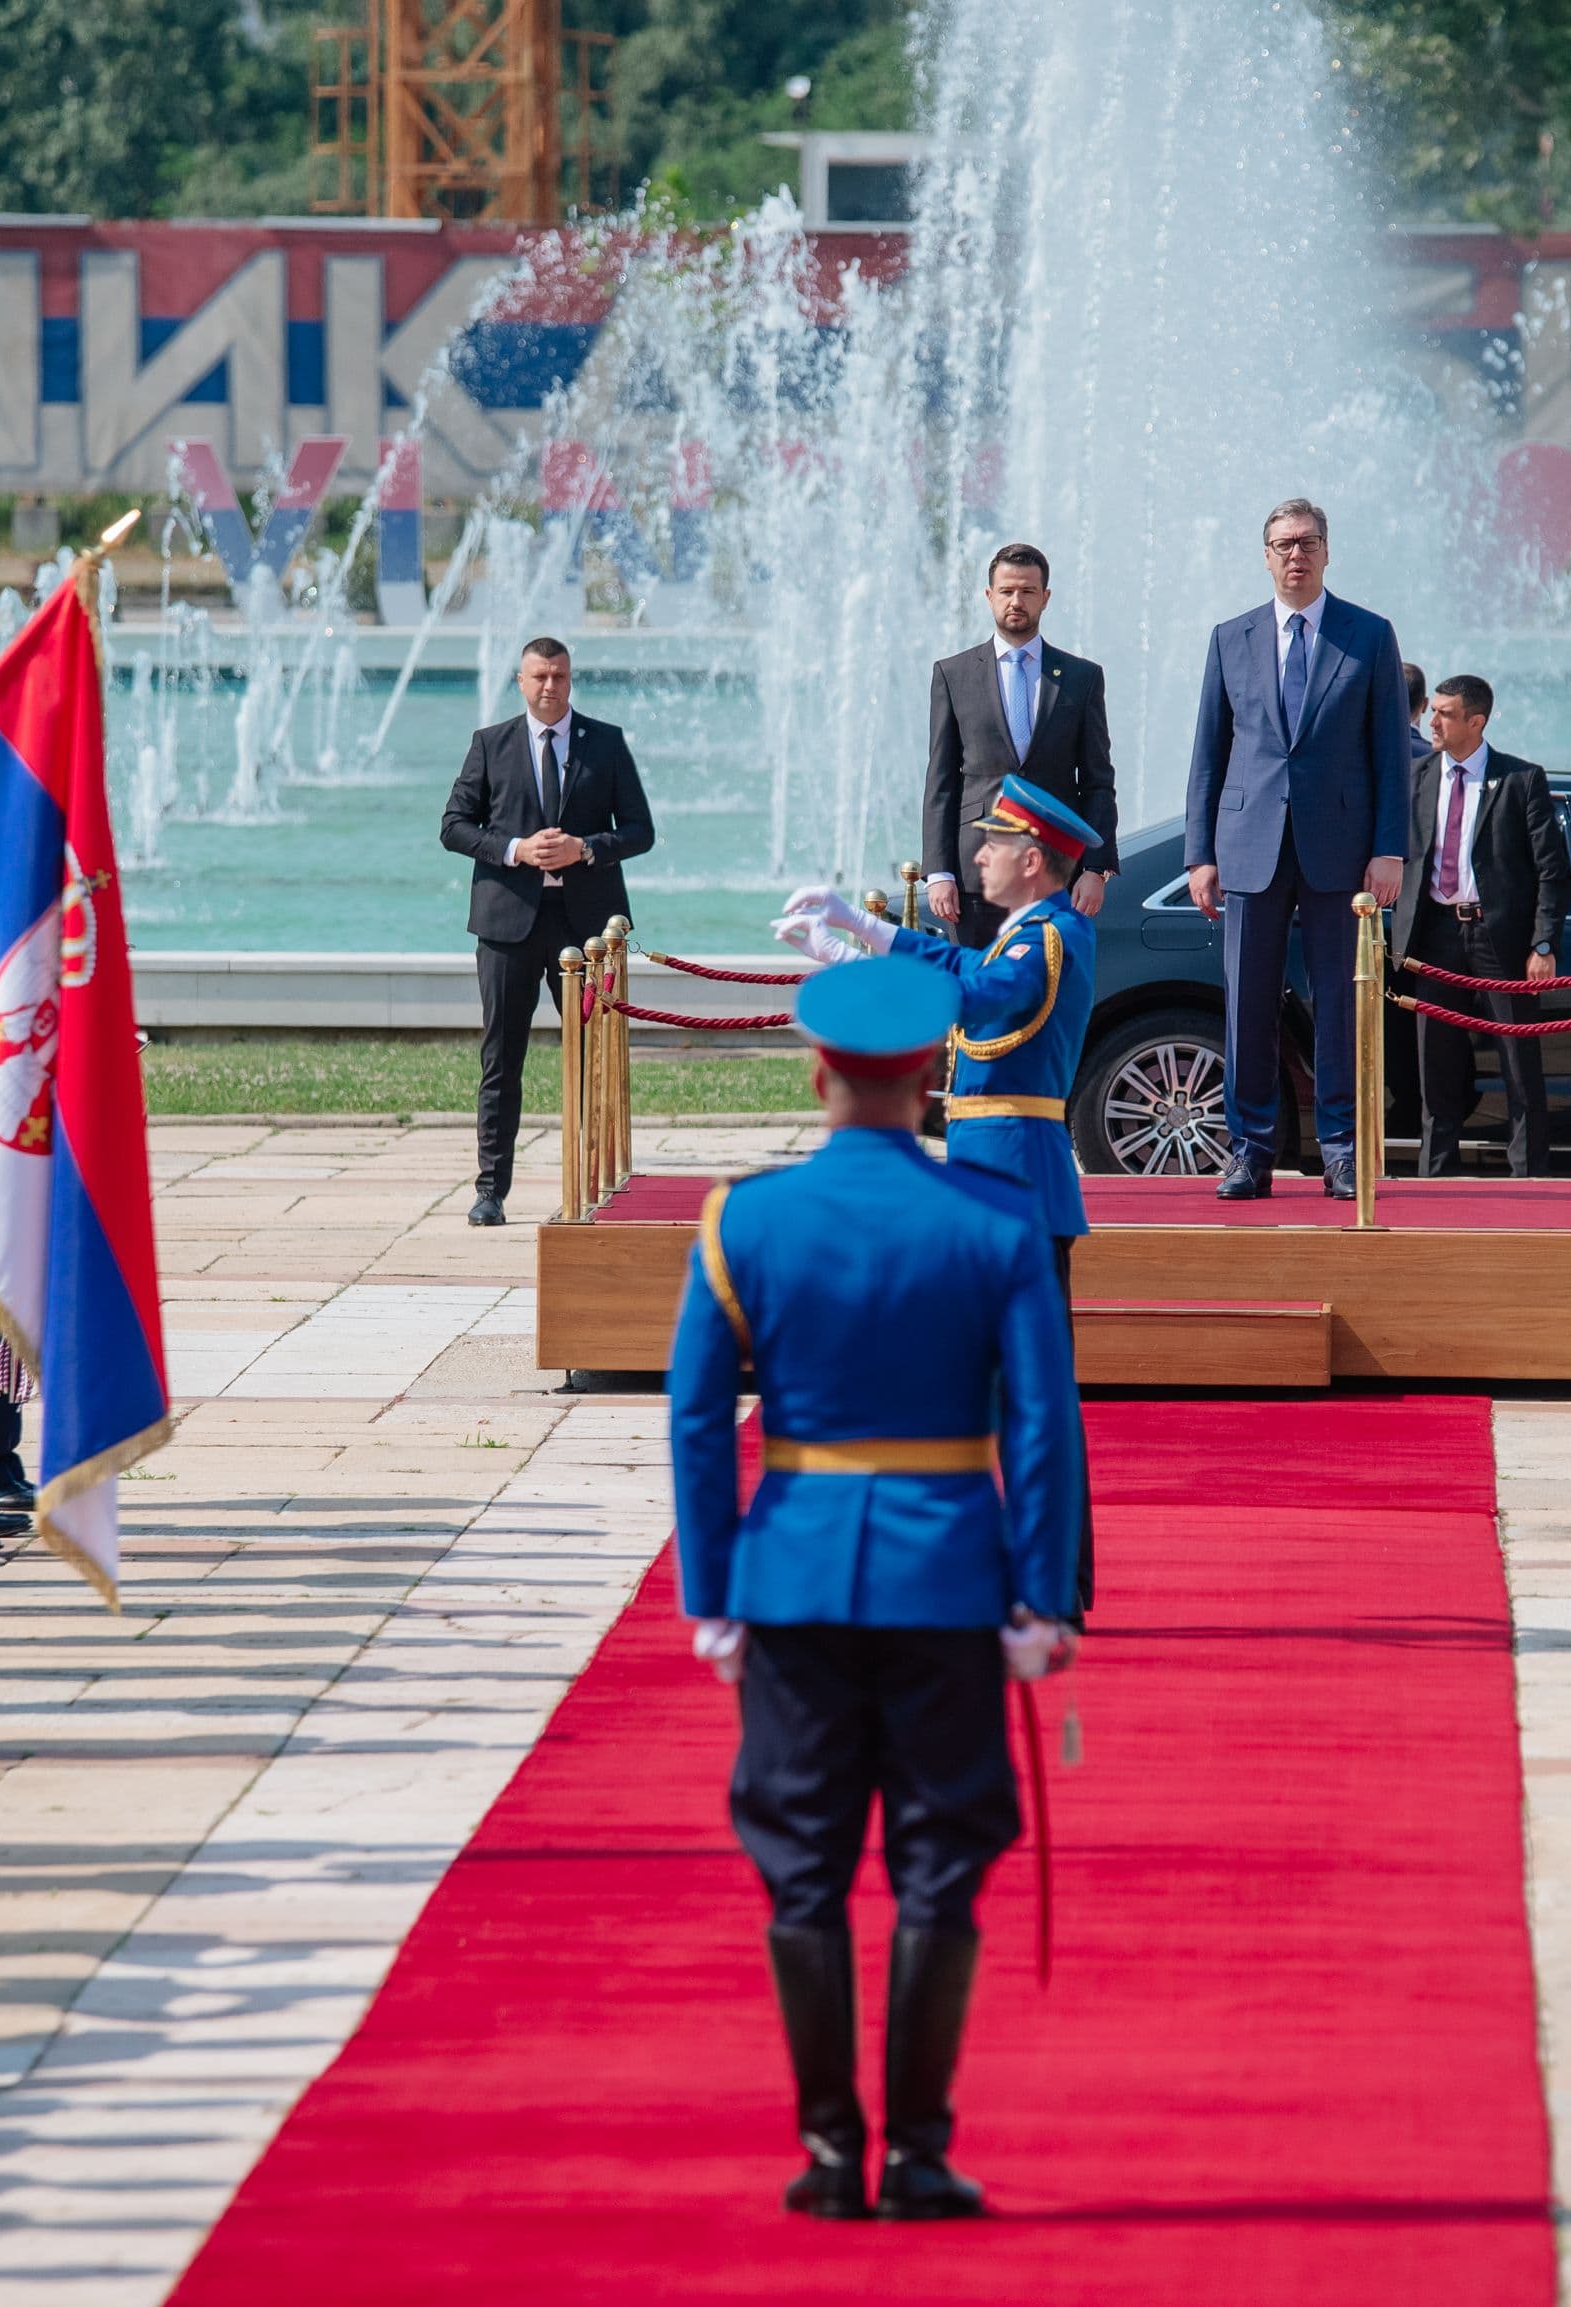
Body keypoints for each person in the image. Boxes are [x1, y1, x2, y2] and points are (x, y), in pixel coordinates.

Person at [667, 954, 1082, 2223]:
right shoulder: (994, 1222)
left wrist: (710, 1593)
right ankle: (916, 2154)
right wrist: (1042, 1595)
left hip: (791, 1577)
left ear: (817, 1074)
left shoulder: (741, 1220)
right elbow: (1042, 1425)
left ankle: (829, 2152)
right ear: (929, 1080)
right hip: (944, 1577)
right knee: (938, 1859)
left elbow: (696, 1420)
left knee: (802, 1863)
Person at [776, 777, 1103, 1608]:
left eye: (995, 844)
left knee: (1032, 1396)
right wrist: (869, 930)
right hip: (990, 1176)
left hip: (1019, 1185)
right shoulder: (1024, 933)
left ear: (1033, 861)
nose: (979, 855)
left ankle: (1053, 1579)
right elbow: (966, 971)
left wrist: (853, 960)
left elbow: (981, 996)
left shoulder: (1051, 935)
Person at [1181, 498, 1412, 1200]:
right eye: (1283, 544)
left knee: (1338, 1003)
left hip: (1339, 850)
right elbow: (1209, 752)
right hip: (1248, 845)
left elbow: (1390, 754)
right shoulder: (1231, 638)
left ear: (1326, 551)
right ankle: (1250, 1150)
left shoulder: (1367, 635)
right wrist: (1200, 853)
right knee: (1247, 1005)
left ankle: (1340, 1149)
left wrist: (1390, 848)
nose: (1295, 555)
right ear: (1265, 556)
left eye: (1308, 542)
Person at [437, 637, 655, 1226]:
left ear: (571, 678)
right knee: (501, 1059)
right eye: (539, 676)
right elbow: (454, 826)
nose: (550, 686)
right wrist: (515, 849)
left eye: (559, 675)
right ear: (521, 681)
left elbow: (640, 830)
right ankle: (490, 1190)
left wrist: (586, 848)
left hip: (584, 930)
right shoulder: (491, 744)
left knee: (592, 1060)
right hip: (507, 924)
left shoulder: (604, 742)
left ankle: (595, 1181)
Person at [1389, 674, 1571, 1178]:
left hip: (1499, 940)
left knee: (1519, 1064)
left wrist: (1543, 943)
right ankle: (1436, 1177)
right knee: (1436, 1067)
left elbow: (1551, 871)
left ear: (1476, 722)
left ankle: (1528, 1179)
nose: (1432, 721)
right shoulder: (1417, 776)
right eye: (1433, 711)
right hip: (1435, 937)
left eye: (1444, 714)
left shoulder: (1520, 779)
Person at [922, 544, 1119, 944]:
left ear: (1045, 597)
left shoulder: (1081, 678)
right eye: (1007, 590)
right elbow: (941, 780)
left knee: (1050, 980)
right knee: (976, 982)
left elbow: (1098, 780)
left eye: (1028, 591)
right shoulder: (953, 674)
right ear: (989, 595)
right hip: (975, 873)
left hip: (1057, 874)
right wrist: (939, 872)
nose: (1016, 601)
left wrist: (1096, 869)